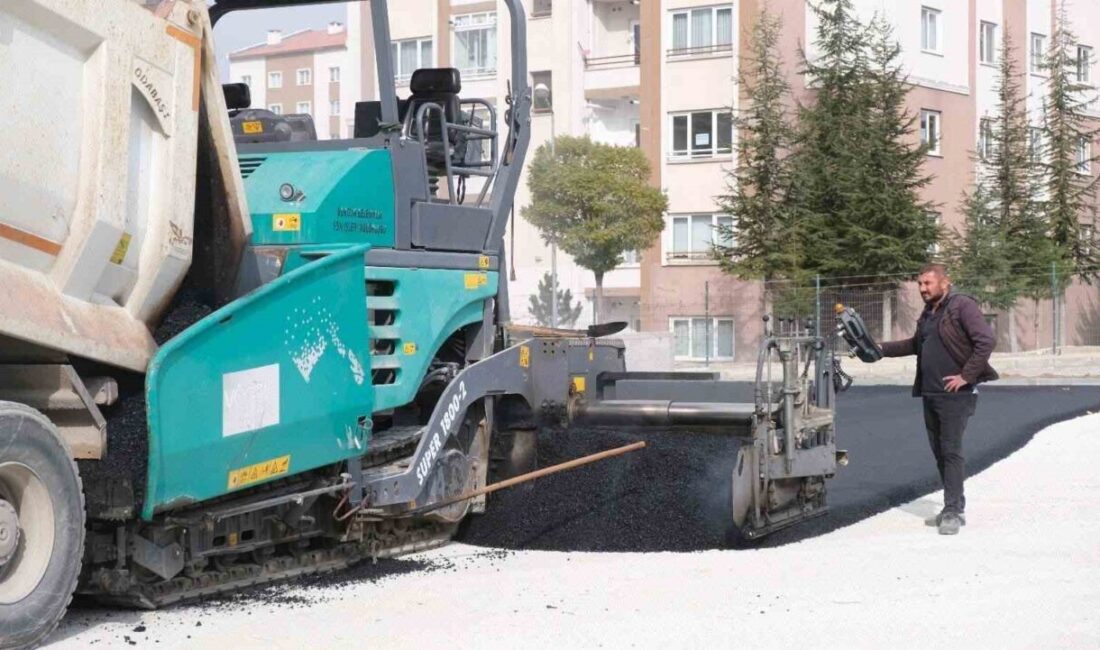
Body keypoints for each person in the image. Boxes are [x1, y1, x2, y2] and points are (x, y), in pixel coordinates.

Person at [877, 263, 998, 535]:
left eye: (928, 283)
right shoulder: (930, 313)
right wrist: (880, 349)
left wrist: (966, 376)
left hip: (956, 396)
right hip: (931, 393)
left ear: (945, 283)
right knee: (940, 453)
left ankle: (953, 511)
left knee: (951, 450)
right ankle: (951, 506)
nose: (922, 289)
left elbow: (986, 340)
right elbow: (913, 344)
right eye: (920, 284)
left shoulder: (961, 306)